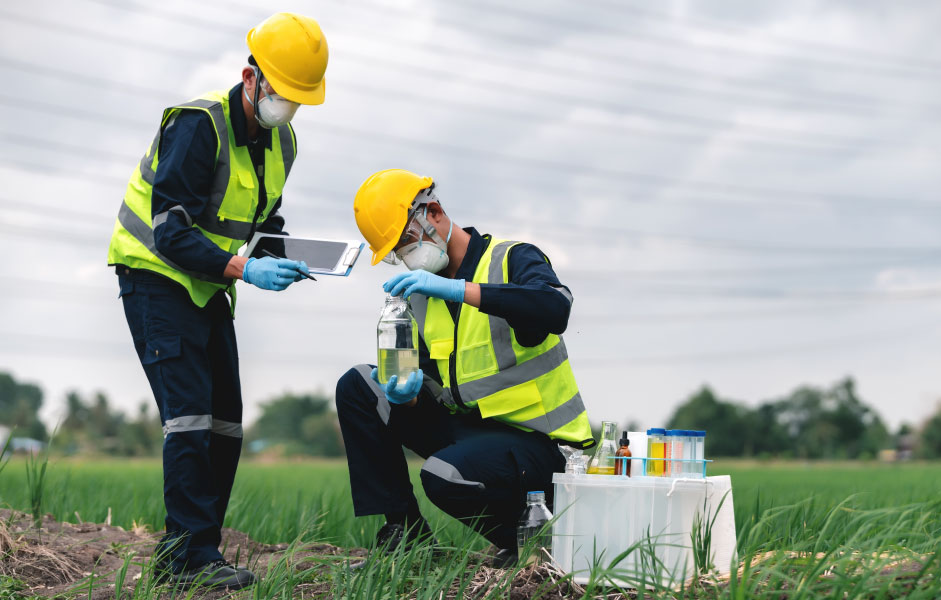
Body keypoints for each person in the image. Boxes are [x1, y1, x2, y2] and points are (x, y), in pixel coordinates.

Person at [106, 13, 328, 588]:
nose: (288, 107)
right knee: (190, 419)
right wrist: (246, 269)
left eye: (298, 99)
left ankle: (197, 551)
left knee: (226, 422)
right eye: (282, 93)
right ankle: (185, 565)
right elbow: (171, 231)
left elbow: (259, 220)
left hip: (208, 284)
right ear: (250, 76)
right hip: (156, 276)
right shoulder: (198, 124)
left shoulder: (284, 142)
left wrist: (281, 253)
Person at [337, 169, 595, 568]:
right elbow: (431, 384)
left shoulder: (510, 258)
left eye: (406, 242)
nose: (406, 258)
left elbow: (554, 308)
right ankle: (406, 538)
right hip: (476, 435)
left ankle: (536, 542)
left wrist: (462, 290)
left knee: (443, 474)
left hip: (544, 449)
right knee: (357, 385)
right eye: (396, 253)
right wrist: (404, 396)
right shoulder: (422, 297)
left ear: (434, 212)